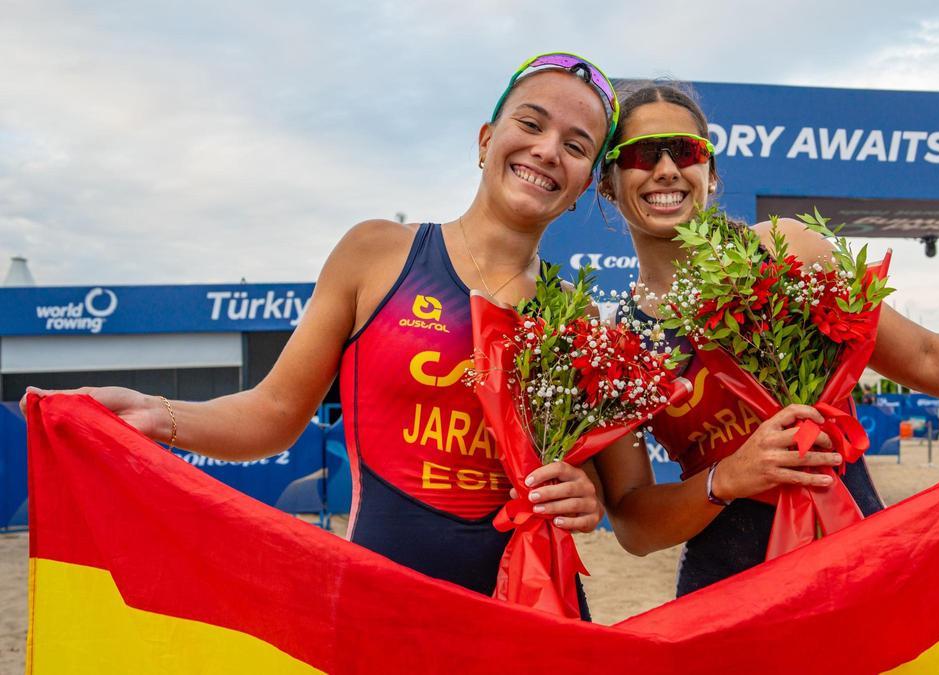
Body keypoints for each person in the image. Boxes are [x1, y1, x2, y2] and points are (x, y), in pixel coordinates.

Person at [20, 53, 618, 609]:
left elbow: (573, 474)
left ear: (584, 185)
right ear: (486, 140)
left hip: (532, 612)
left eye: (574, 144)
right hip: (381, 606)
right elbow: (276, 410)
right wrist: (157, 414)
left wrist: (581, 492)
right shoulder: (378, 253)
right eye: (531, 124)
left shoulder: (576, 318)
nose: (546, 150)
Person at [591, 82, 939, 597]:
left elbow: (925, 356)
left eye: (686, 151)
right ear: (609, 184)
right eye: (642, 154)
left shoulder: (785, 250)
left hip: (857, 561)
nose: (666, 168)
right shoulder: (617, 345)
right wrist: (728, 477)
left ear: (710, 172)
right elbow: (636, 526)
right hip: (727, 597)